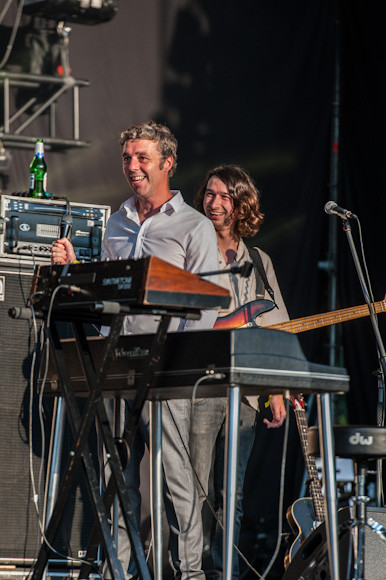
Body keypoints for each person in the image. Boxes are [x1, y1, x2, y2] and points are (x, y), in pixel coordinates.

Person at [51, 120, 220, 579]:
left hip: (167, 373)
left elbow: (206, 306)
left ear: (168, 162)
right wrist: (75, 272)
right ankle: (118, 571)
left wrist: (177, 362)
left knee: (177, 483)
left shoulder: (194, 227)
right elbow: (109, 295)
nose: (132, 166)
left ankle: (189, 574)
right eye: (127, 158)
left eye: (142, 157)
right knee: (118, 479)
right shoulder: (118, 220)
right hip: (119, 367)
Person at [190, 164, 289, 580]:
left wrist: (276, 390)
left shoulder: (260, 261)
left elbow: (277, 329)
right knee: (193, 489)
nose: (214, 203)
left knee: (233, 492)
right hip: (201, 382)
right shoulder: (190, 245)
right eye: (209, 194)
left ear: (241, 204)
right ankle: (189, 569)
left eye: (224, 197)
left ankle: (223, 570)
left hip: (246, 391)